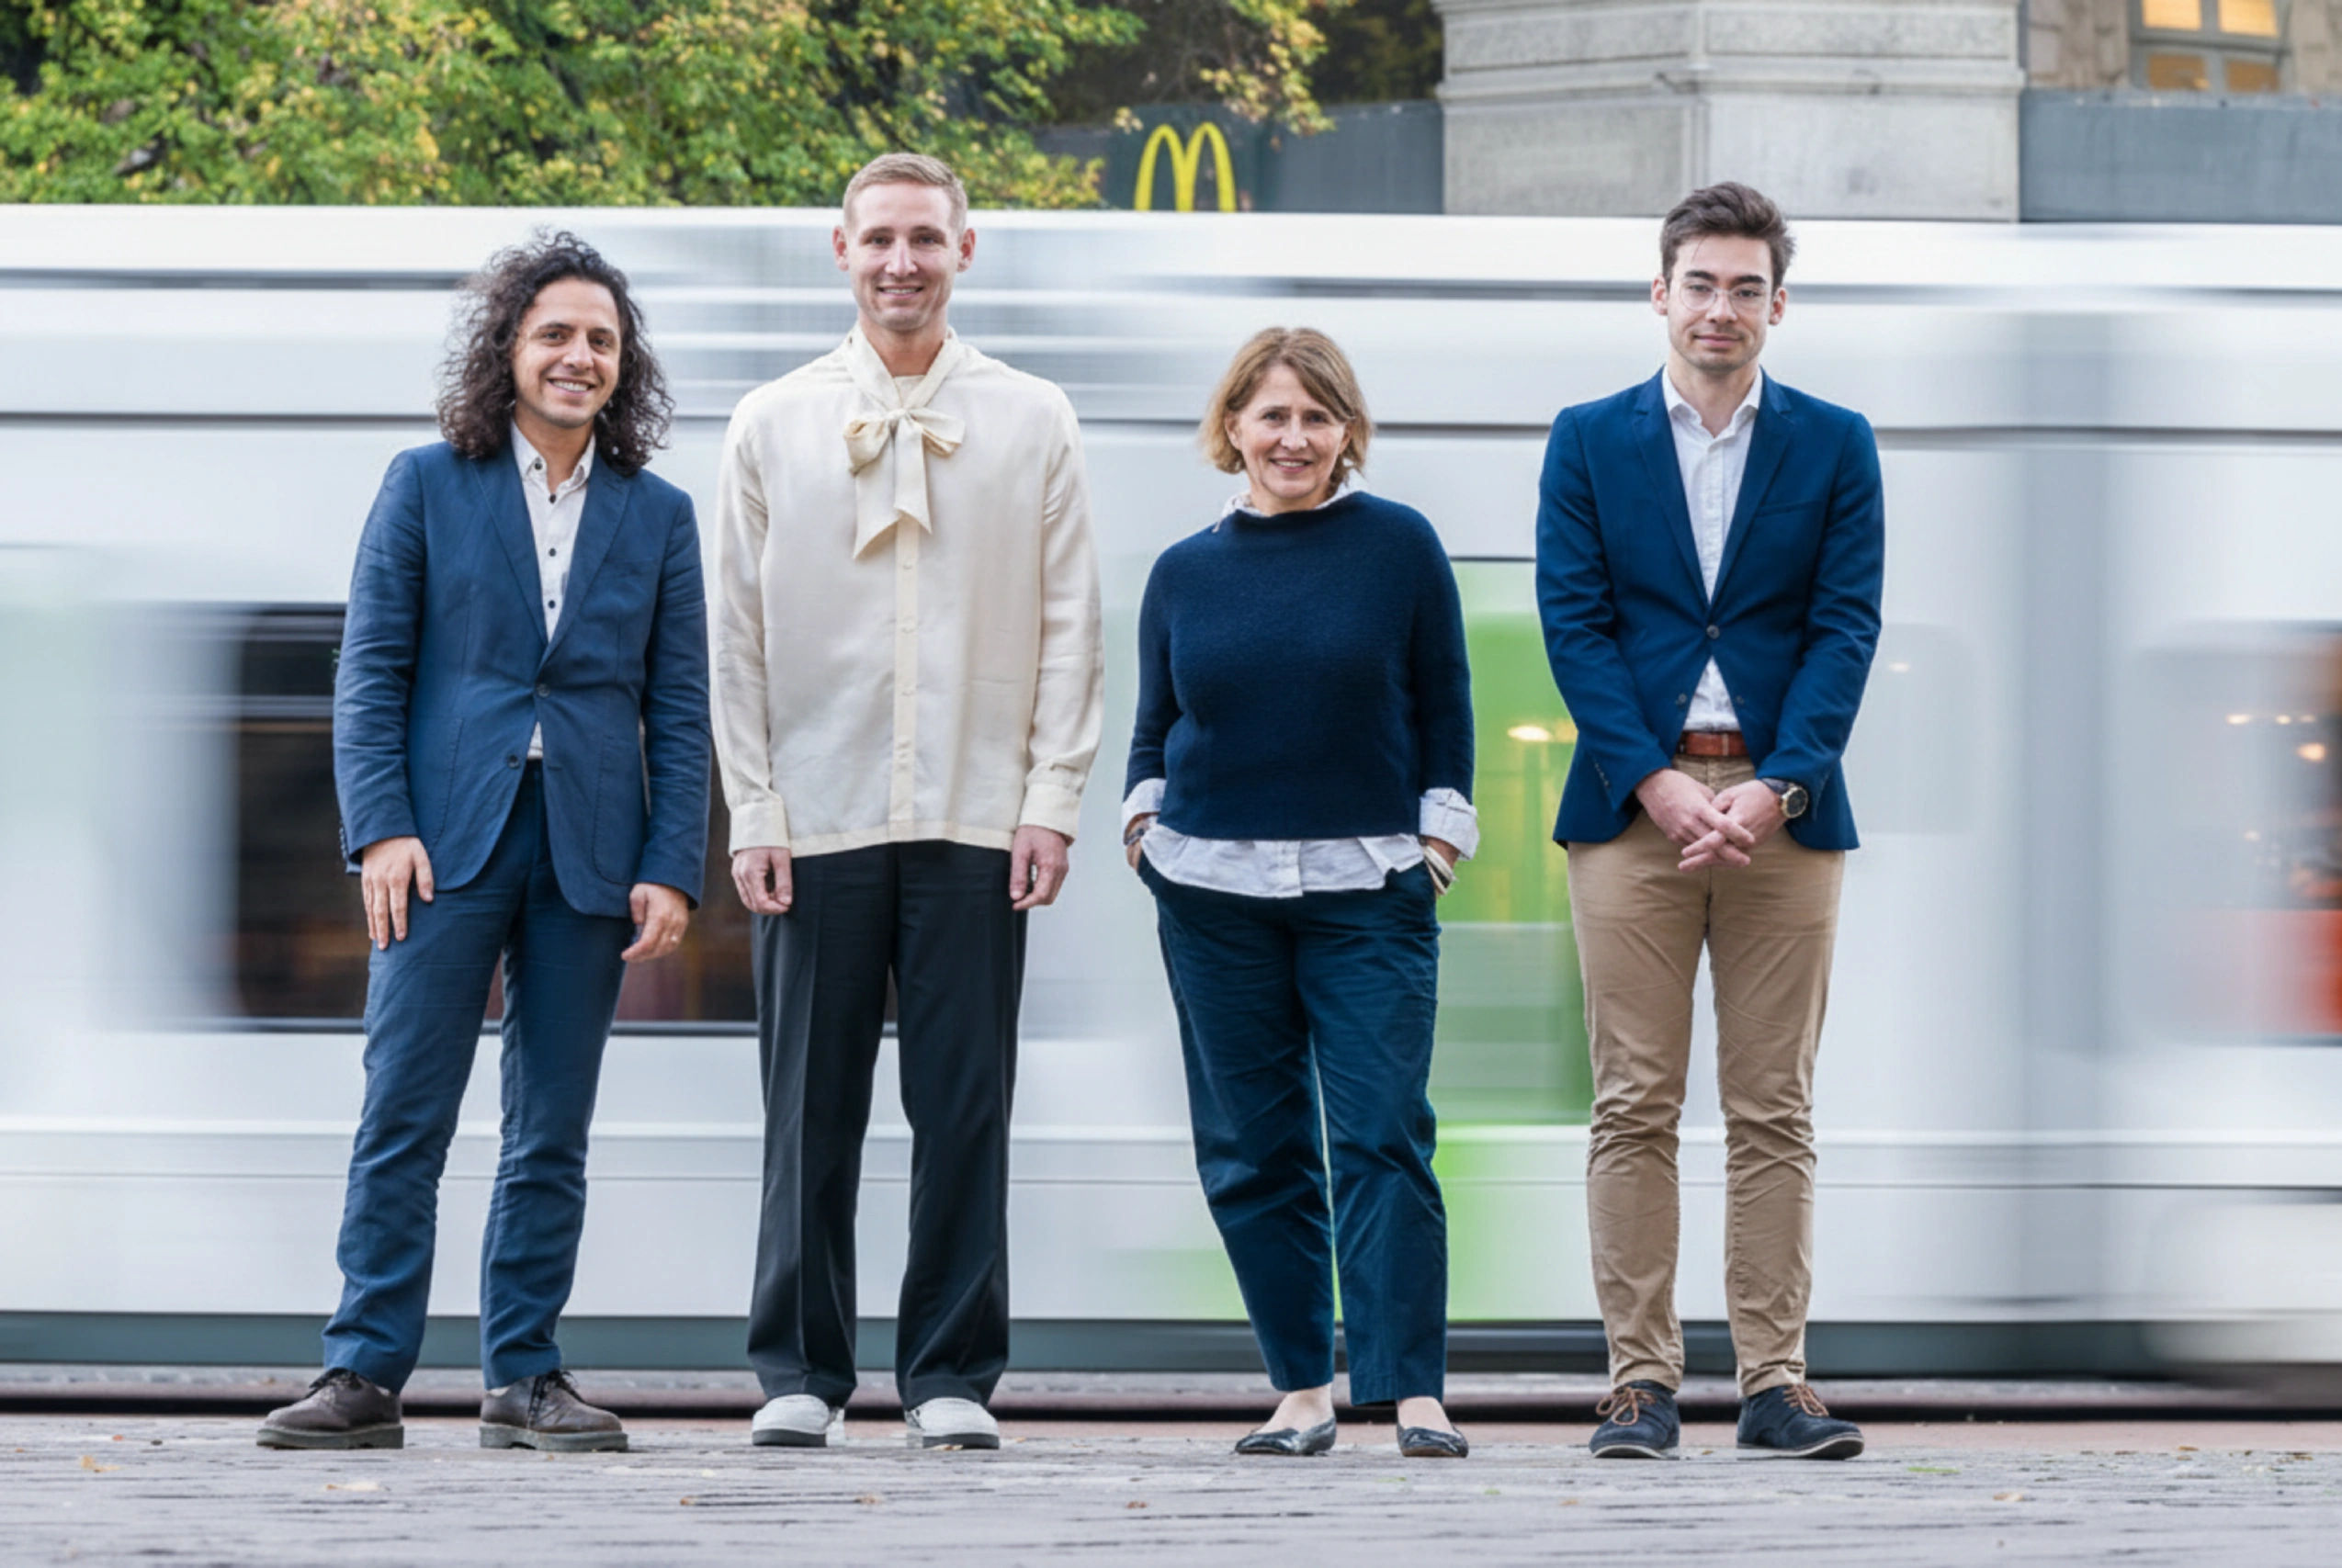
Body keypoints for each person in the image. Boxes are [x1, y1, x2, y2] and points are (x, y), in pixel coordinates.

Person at [258, 233, 711, 1452]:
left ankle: (524, 1372)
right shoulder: (426, 482)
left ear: (625, 367)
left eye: (602, 340)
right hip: (442, 846)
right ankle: (362, 1371)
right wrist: (381, 831)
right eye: (556, 332)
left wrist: (672, 863)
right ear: (508, 347)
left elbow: (678, 701)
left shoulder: (659, 516)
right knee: (405, 1108)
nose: (578, 355)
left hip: (591, 854)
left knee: (550, 1126)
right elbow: (370, 672)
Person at [710, 152, 1104, 1452]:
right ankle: (800, 1369)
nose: (901, 261)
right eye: (879, 238)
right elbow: (737, 635)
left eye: (925, 239)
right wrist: (752, 807)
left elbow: (1070, 621)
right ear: (840, 250)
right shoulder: (768, 422)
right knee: (807, 1106)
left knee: (966, 1101)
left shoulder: (1037, 416)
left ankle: (948, 1371)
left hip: (978, 810)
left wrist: (1050, 797)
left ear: (966, 251)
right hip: (815, 812)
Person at [1536, 183, 1884, 1461]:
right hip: (1634, 817)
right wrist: (1658, 782)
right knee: (1632, 1100)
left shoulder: (1837, 443)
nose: (1721, 306)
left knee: (1773, 1105)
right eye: (1701, 282)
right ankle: (1638, 1385)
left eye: (1747, 287)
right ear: (1660, 292)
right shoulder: (1588, 439)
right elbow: (1575, 624)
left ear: (1777, 305)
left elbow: (1848, 625)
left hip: (1784, 814)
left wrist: (1778, 782)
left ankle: (1773, 1385)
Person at [1125, 327, 1476, 1460]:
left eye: (1314, 416)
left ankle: (1408, 1388)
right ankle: (1299, 1390)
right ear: (1232, 426)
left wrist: (1438, 835)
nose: (1292, 437)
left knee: (1381, 1132)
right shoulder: (1183, 570)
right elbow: (1152, 722)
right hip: (1211, 891)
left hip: (1367, 886)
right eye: (1271, 415)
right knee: (1251, 1149)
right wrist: (1142, 822)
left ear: (1345, 431)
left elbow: (1444, 705)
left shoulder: (1399, 546)